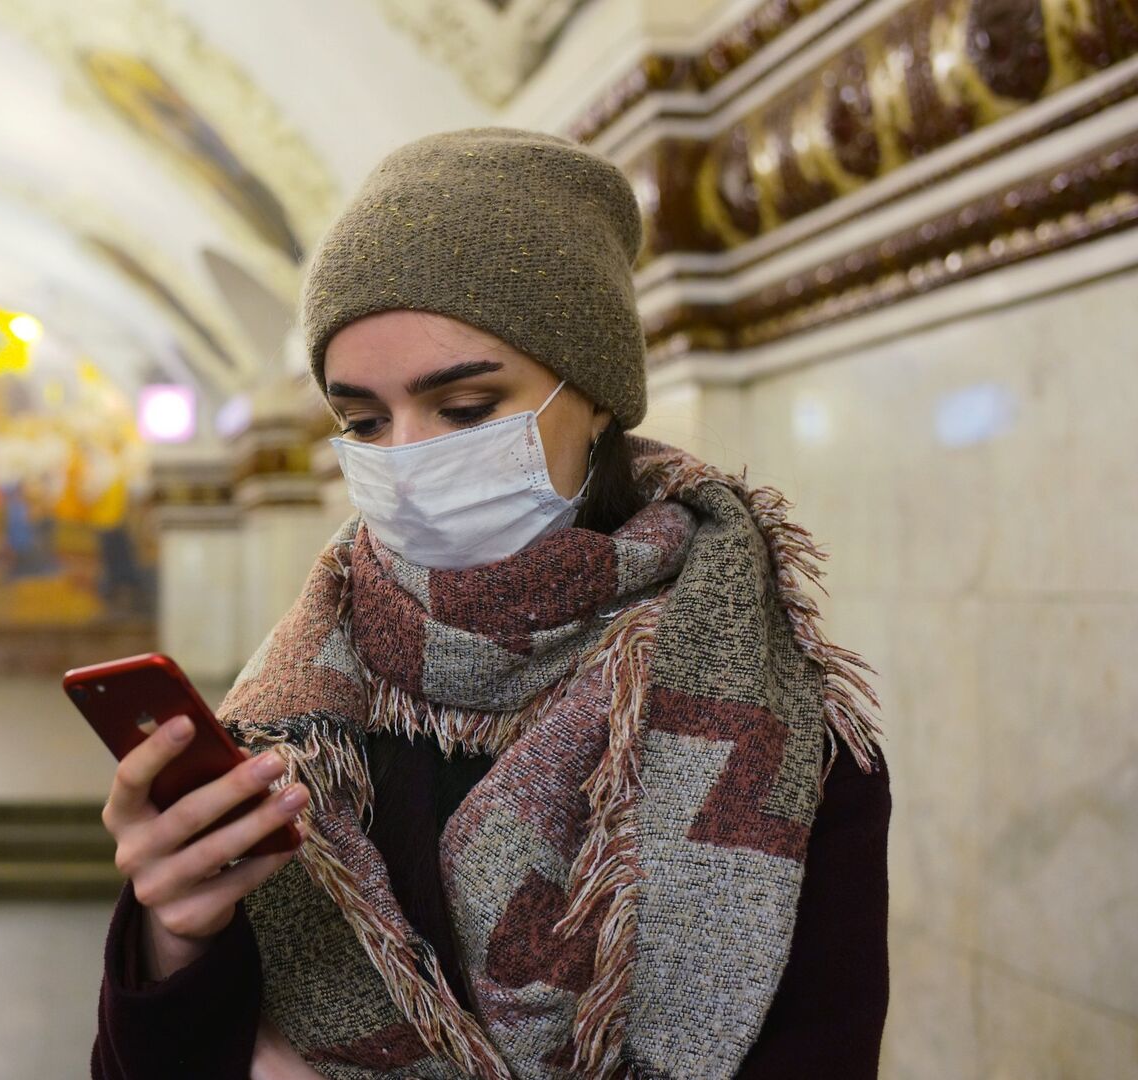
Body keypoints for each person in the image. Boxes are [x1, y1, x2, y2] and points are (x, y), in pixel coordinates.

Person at [90, 129, 890, 1079]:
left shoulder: (774, 730)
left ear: (595, 394)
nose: (407, 458)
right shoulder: (297, 721)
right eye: (362, 421)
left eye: (466, 409)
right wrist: (172, 941)